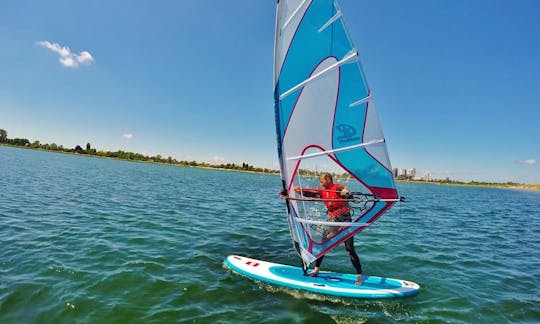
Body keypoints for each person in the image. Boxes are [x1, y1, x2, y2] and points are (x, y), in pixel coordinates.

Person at [294, 172, 363, 285]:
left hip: (345, 221)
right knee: (322, 245)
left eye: (322, 181)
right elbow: (312, 194)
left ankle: (359, 275)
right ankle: (316, 269)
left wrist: (346, 192)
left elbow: (347, 193)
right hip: (332, 222)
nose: (320, 183)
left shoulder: (338, 187)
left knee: (349, 248)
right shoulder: (323, 192)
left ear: (329, 179)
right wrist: (299, 191)